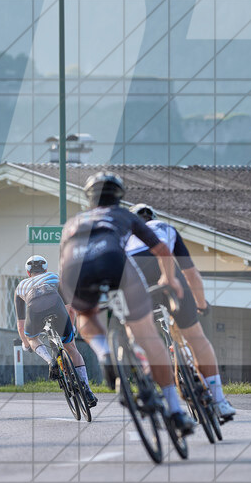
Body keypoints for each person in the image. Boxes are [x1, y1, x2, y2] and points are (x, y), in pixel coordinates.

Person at [59, 171, 195, 435]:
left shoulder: (72, 222)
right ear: (119, 196)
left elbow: (63, 266)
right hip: (114, 263)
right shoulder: (124, 215)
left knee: (87, 318)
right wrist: (169, 279)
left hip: (76, 271)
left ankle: (104, 353)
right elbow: (161, 250)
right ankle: (176, 412)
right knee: (147, 335)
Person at [126, 203, 236, 422]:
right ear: (153, 217)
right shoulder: (166, 229)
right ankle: (220, 401)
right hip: (168, 276)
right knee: (196, 337)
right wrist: (201, 304)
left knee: (141, 336)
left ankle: (155, 387)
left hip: (136, 280)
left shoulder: (124, 237)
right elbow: (191, 274)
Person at [15, 255, 97, 408]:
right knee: (71, 348)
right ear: (45, 269)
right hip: (57, 308)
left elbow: (20, 326)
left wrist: (27, 345)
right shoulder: (54, 277)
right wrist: (70, 328)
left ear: (28, 273)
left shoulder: (21, 286)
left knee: (32, 338)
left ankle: (50, 361)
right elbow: (70, 309)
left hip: (34, 310)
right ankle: (87, 390)